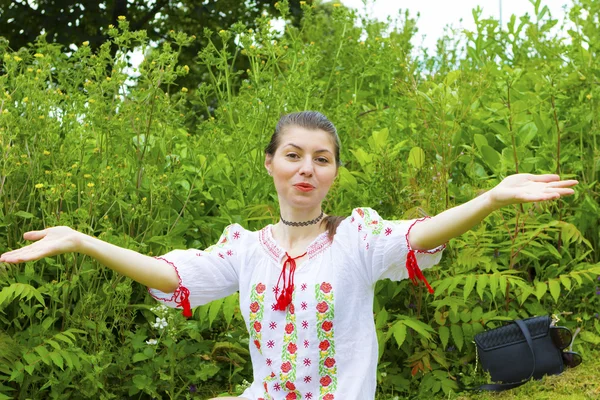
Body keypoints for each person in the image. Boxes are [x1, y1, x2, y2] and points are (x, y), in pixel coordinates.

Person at [0, 111, 578, 400]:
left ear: (333, 172)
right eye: (295, 155)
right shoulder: (246, 251)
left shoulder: (356, 239)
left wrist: (492, 197)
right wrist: (82, 240)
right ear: (271, 164)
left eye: (321, 158)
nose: (307, 168)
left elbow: (420, 234)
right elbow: (171, 274)